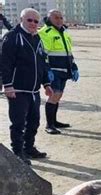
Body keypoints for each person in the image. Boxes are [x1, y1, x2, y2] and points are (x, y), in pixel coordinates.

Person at [1, 8, 53, 165]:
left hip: (33, 90)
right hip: (17, 90)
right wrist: (8, 85)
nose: (33, 23)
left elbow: (41, 63)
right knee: (18, 123)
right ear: (21, 19)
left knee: (34, 121)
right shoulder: (12, 37)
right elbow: (5, 63)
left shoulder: (37, 38)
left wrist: (46, 83)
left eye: (36, 21)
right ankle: (18, 152)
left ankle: (28, 148)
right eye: (29, 20)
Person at [39, 9, 79, 134]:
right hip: (53, 71)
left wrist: (74, 66)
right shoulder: (45, 32)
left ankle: (54, 121)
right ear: (49, 18)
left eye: (61, 18)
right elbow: (42, 54)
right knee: (54, 95)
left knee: (59, 95)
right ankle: (49, 125)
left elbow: (68, 52)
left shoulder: (64, 32)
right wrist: (47, 71)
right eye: (56, 17)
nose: (59, 20)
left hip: (64, 70)